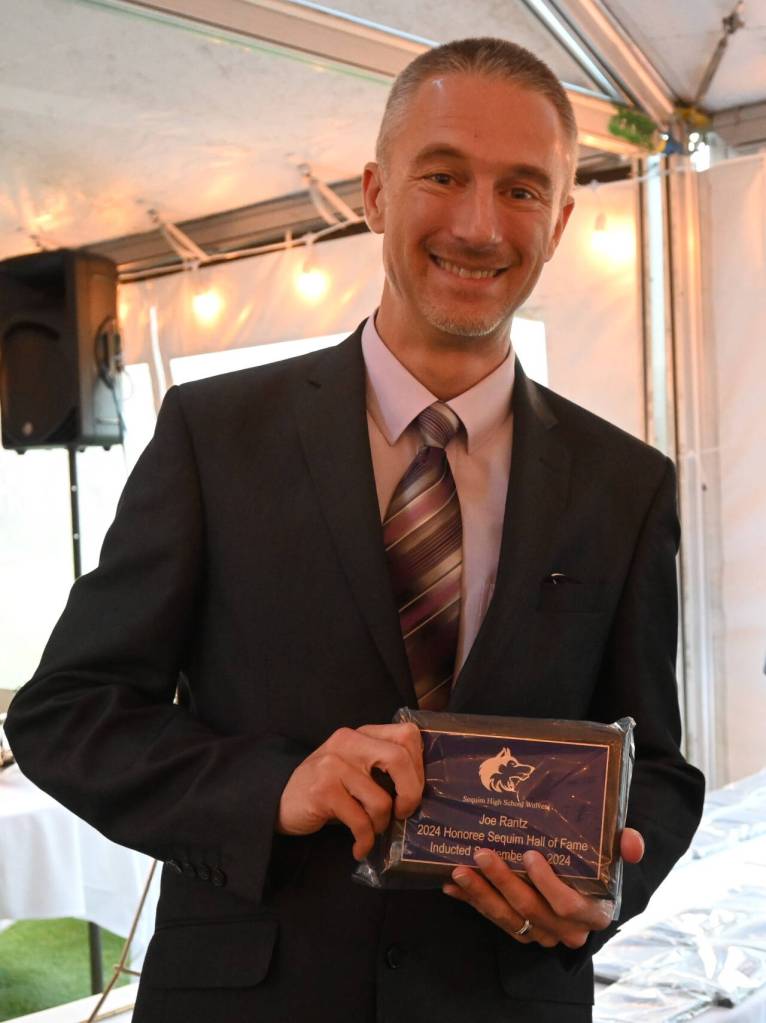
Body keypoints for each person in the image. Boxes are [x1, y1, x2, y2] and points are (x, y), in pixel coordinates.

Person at [6, 36, 704, 1023]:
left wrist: (600, 888)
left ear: (559, 219)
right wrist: (270, 788)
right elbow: (67, 713)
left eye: (519, 188)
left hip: (500, 999)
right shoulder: (216, 435)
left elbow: (659, 770)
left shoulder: (625, 483)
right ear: (376, 192)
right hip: (254, 998)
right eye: (443, 174)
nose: (476, 223)